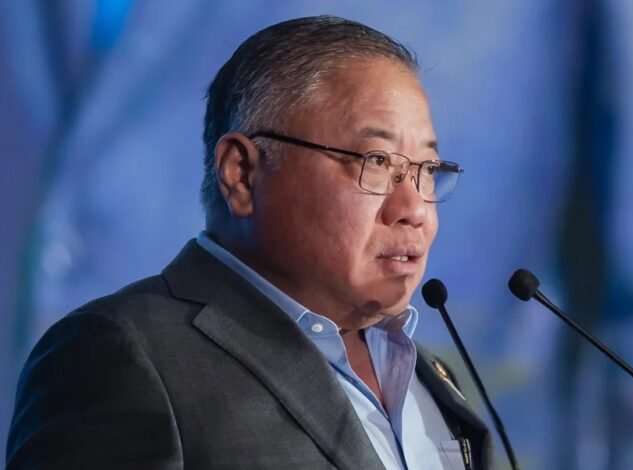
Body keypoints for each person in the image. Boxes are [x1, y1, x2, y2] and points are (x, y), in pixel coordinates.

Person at [6, 15, 493, 469]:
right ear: (240, 173)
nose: (414, 210)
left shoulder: (432, 378)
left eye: (427, 169)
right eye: (377, 162)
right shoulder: (121, 355)